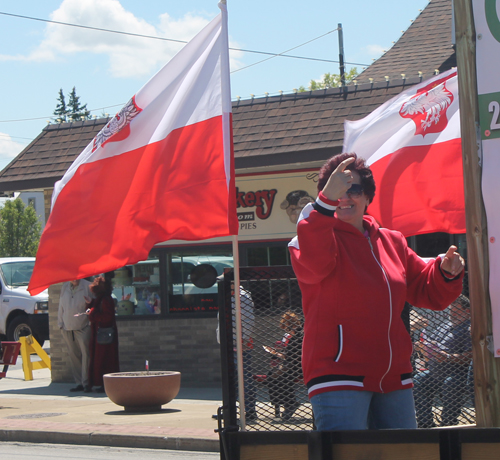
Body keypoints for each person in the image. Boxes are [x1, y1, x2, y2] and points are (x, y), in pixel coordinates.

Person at [288, 152, 465, 431]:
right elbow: (313, 266)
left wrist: (447, 271)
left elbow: (428, 291)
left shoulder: (392, 241)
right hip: (338, 377)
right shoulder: (309, 237)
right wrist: (323, 204)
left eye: (353, 189)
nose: (344, 197)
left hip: (395, 378)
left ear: (368, 196)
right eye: (336, 190)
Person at [413, 294, 473, 427]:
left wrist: (448, 357)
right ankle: (425, 423)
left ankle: (448, 422)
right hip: (436, 371)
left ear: (466, 311)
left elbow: (471, 355)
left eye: (454, 308)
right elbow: (432, 342)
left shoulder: (469, 327)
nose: (450, 311)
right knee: (419, 380)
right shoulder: (446, 325)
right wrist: (423, 346)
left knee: (450, 384)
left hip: (458, 373)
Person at [265, 310, 303, 421]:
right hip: (292, 364)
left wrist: (282, 361)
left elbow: (295, 357)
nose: (286, 331)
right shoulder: (293, 336)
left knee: (280, 376)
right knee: (271, 374)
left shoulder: (299, 335)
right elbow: (290, 355)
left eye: (287, 328)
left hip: (298, 366)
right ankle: (285, 402)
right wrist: (277, 354)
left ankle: (290, 403)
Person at [58, 278, 93, 392]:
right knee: (74, 356)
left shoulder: (88, 286)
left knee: (86, 355)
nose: (75, 278)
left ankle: (86, 382)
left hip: (83, 326)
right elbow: (61, 306)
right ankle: (79, 383)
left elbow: (93, 305)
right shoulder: (65, 287)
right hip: (67, 327)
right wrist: (60, 324)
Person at [87, 275, 120, 392]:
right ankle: (101, 383)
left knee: (104, 360)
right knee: (101, 359)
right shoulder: (101, 299)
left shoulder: (105, 299)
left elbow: (107, 316)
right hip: (101, 333)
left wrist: (92, 315)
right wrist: (90, 305)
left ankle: (104, 383)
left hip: (104, 334)